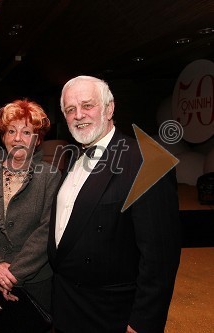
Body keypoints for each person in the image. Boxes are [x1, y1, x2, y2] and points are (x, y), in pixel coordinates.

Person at [47, 76, 181, 333]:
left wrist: (143, 322)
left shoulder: (148, 162)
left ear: (109, 109)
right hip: (67, 304)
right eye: (70, 109)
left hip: (111, 314)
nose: (79, 115)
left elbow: (160, 258)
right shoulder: (73, 155)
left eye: (87, 105)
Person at [0, 99, 61, 315]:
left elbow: (48, 230)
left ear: (37, 140)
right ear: (3, 136)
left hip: (36, 281)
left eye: (26, 132)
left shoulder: (51, 177)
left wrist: (13, 274)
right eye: (11, 131)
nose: (17, 138)